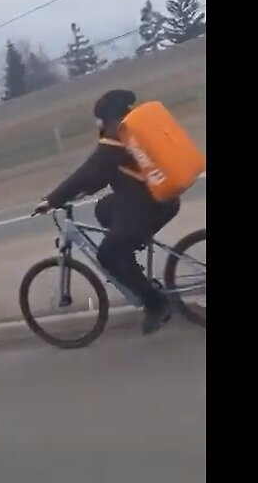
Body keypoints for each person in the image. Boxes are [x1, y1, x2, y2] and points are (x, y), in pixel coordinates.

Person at [35, 89, 180, 334]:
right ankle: (131, 255)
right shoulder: (134, 134)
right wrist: (82, 192)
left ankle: (156, 303)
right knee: (103, 209)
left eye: (99, 120)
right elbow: (108, 173)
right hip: (161, 198)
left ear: (109, 118)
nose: (99, 126)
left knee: (108, 255)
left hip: (146, 205)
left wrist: (52, 200)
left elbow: (88, 171)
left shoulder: (115, 141)